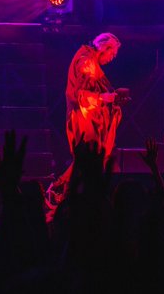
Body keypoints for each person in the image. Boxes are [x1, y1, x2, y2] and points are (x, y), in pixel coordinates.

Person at [47, 33, 126, 207]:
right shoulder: (87, 62)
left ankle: (68, 194)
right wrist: (103, 98)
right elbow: (81, 96)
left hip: (87, 117)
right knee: (88, 159)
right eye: (112, 54)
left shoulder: (89, 59)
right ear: (105, 48)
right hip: (82, 119)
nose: (112, 59)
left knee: (88, 160)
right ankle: (60, 191)